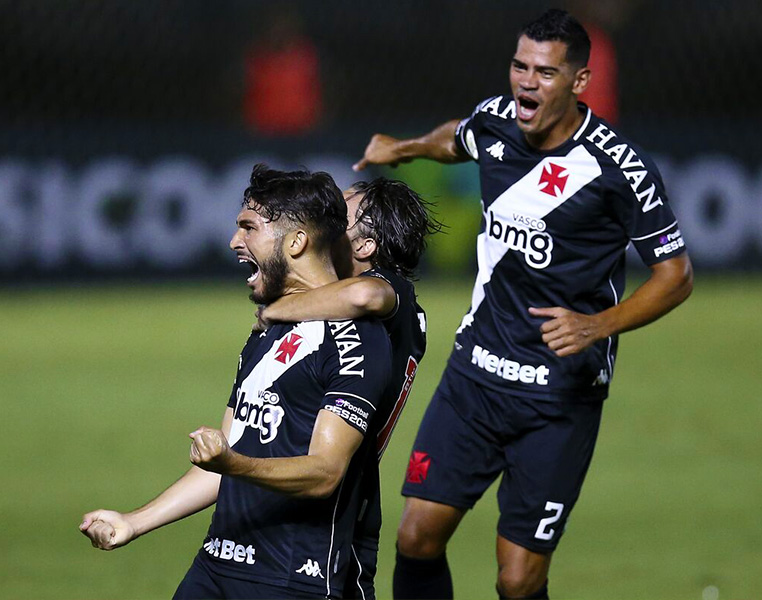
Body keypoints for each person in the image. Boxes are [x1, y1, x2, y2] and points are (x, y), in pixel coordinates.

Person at [353, 8, 693, 600]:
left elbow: (676, 275)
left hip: (559, 395)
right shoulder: (497, 121)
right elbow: (457, 136)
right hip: (475, 375)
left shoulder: (621, 169)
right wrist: (403, 147)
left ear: (579, 82)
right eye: (519, 65)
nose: (526, 81)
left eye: (545, 71)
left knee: (517, 578)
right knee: (416, 538)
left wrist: (599, 325)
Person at [79, 165, 394, 600]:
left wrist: (234, 464)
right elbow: (225, 457)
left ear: (296, 241)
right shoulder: (267, 330)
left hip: (289, 579)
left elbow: (324, 473)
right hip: (215, 566)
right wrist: (134, 522)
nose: (234, 241)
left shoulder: (355, 340)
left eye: (249, 227)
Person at [258, 178, 439, 599]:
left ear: (365, 247)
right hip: (331, 483)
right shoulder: (402, 314)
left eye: (339, 217)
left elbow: (363, 294)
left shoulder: (392, 292)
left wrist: (278, 310)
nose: (326, 222)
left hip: (343, 498)